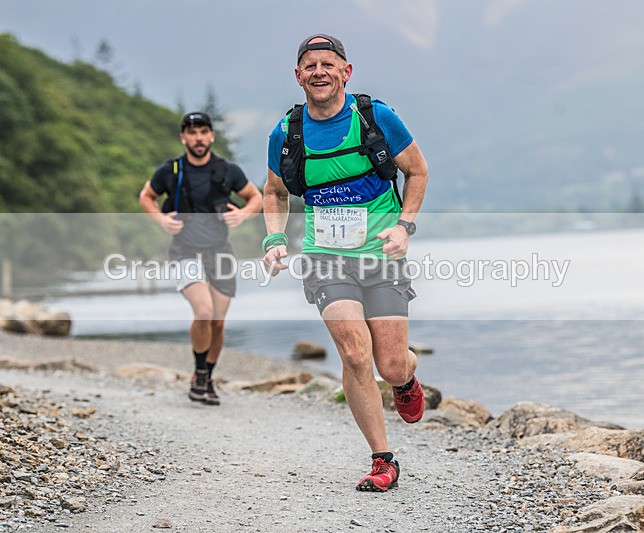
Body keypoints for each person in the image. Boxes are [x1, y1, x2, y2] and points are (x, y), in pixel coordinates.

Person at [263, 34, 429, 492]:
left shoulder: (377, 118)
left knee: (391, 362)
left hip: (381, 254)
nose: (319, 71)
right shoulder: (286, 133)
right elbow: (275, 192)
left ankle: (406, 380)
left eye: (328, 64)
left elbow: (417, 171)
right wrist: (275, 237)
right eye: (310, 65)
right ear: (298, 76)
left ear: (345, 72)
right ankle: (383, 460)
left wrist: (404, 226)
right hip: (326, 258)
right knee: (355, 352)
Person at [139, 111, 262, 405]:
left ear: (211, 136)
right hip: (185, 251)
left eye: (203, 131)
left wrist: (243, 215)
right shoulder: (171, 171)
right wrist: (161, 221)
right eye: (192, 132)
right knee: (204, 312)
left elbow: (255, 197)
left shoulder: (227, 170)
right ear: (183, 137)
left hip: (220, 251)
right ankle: (198, 372)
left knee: (218, 323)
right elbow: (146, 196)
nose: (198, 138)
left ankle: (206, 377)